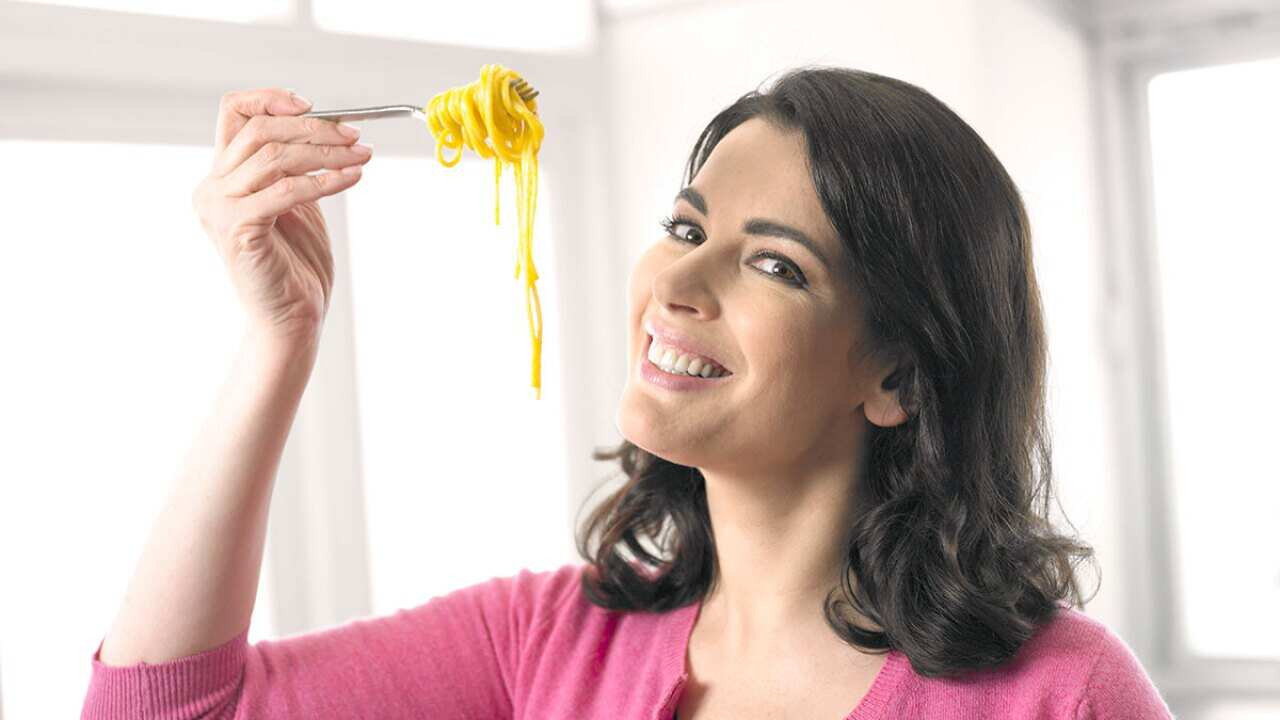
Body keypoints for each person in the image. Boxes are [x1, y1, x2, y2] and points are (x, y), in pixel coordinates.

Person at [80, 67, 1174, 719]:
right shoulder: (552, 640)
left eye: (775, 263)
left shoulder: (1061, 695)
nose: (677, 286)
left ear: (897, 375)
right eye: (686, 229)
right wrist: (278, 343)